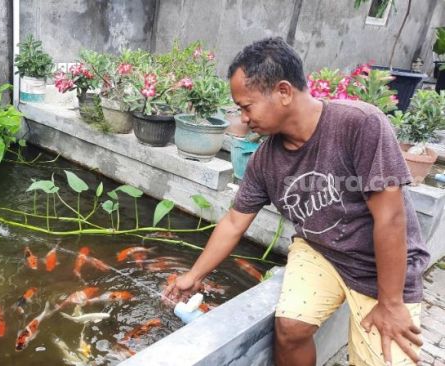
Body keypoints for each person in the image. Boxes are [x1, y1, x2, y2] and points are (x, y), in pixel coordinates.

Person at [162, 37, 429, 366]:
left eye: (246, 106)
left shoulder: (360, 124)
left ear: (284, 92)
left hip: (380, 266)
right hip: (320, 250)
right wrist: (194, 275)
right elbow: (234, 221)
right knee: (289, 328)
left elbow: (391, 220)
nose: (242, 118)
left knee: (385, 358)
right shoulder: (265, 159)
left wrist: (390, 303)